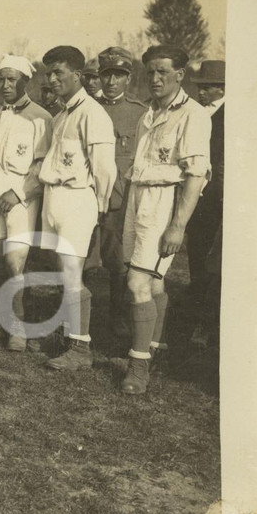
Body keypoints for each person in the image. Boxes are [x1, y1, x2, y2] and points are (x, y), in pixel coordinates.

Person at [120, 45, 211, 394]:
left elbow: (196, 175)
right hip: (139, 197)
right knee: (154, 282)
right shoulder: (149, 113)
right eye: (151, 72)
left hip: (164, 202)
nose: (155, 79)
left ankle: (138, 366)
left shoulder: (194, 114)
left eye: (163, 72)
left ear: (180, 75)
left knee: (136, 283)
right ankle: (152, 348)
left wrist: (177, 225)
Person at [37, 45, 116, 370]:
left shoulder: (92, 114)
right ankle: (73, 336)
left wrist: (97, 209)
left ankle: (80, 349)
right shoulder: (61, 114)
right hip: (55, 198)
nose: (52, 79)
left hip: (78, 199)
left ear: (78, 75)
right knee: (64, 271)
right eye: (49, 73)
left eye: (59, 72)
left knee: (72, 273)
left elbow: (104, 169)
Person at [0, 55, 52, 351]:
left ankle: (18, 326)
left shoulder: (41, 118)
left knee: (16, 261)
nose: (5, 85)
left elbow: (42, 168)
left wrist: (17, 193)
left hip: (21, 194)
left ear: (25, 82)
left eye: (12, 79)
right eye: (1, 79)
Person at [90, 46, 148, 338]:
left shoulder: (140, 114)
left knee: (118, 260)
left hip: (119, 199)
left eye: (118, 75)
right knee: (81, 257)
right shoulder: (87, 107)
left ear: (128, 78)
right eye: (106, 75)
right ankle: (77, 317)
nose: (111, 82)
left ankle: (117, 315)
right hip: (86, 195)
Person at [186, 60, 225, 309]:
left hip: (216, 194)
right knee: (196, 244)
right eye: (200, 87)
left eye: (208, 87)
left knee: (215, 251)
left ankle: (208, 304)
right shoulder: (196, 112)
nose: (201, 92)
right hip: (195, 191)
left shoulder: (233, 115)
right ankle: (196, 294)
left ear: (221, 89)